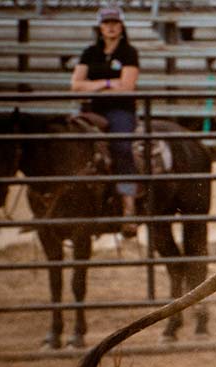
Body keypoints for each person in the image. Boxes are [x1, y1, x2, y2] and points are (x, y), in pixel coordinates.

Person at [71, 4, 140, 238]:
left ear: (121, 26)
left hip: (120, 111)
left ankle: (128, 207)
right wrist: (109, 83)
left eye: (114, 23)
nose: (110, 27)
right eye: (106, 23)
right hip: (92, 110)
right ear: (100, 27)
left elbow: (127, 87)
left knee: (121, 147)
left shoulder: (128, 52)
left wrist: (93, 85)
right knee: (73, 143)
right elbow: (75, 85)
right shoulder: (89, 52)